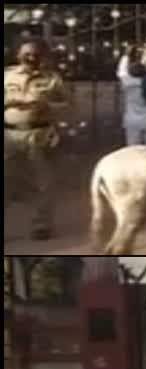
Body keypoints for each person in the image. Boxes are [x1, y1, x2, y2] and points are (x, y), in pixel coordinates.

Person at [4, 37, 69, 241]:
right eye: (27, 54)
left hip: (41, 136)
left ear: (43, 56)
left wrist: (48, 106)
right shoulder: (6, 77)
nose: (31, 57)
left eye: (36, 54)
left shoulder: (52, 79)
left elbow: (70, 105)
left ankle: (41, 224)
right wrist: (10, 101)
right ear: (18, 55)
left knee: (45, 183)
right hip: (9, 136)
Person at [116, 44, 146, 147]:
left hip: (132, 120)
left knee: (132, 148)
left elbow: (121, 71)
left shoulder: (127, 81)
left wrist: (126, 55)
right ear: (145, 71)